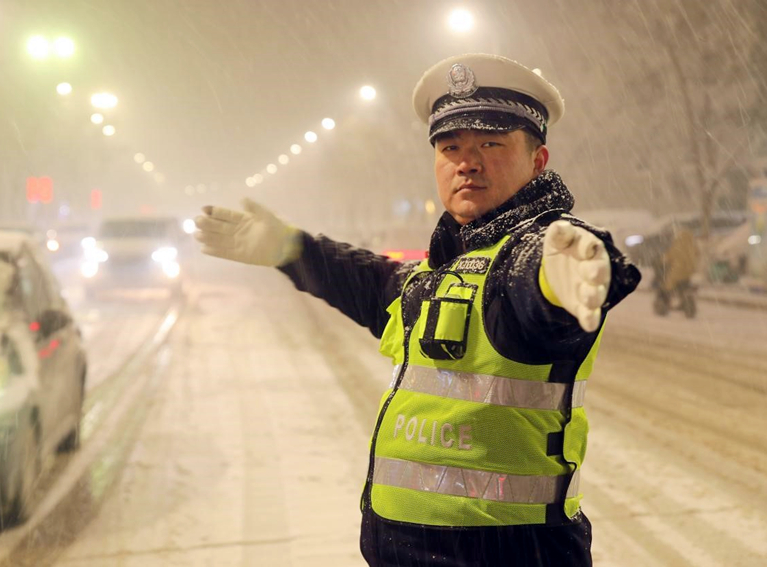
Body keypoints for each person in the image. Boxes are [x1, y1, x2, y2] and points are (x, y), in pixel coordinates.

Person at [194, 53, 641, 566]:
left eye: (490, 144)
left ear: (538, 161)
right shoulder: (447, 268)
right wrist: (293, 250)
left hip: (505, 551)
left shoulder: (529, 253)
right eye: (450, 147)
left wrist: (573, 270)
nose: (466, 162)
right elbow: (375, 283)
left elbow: (541, 283)